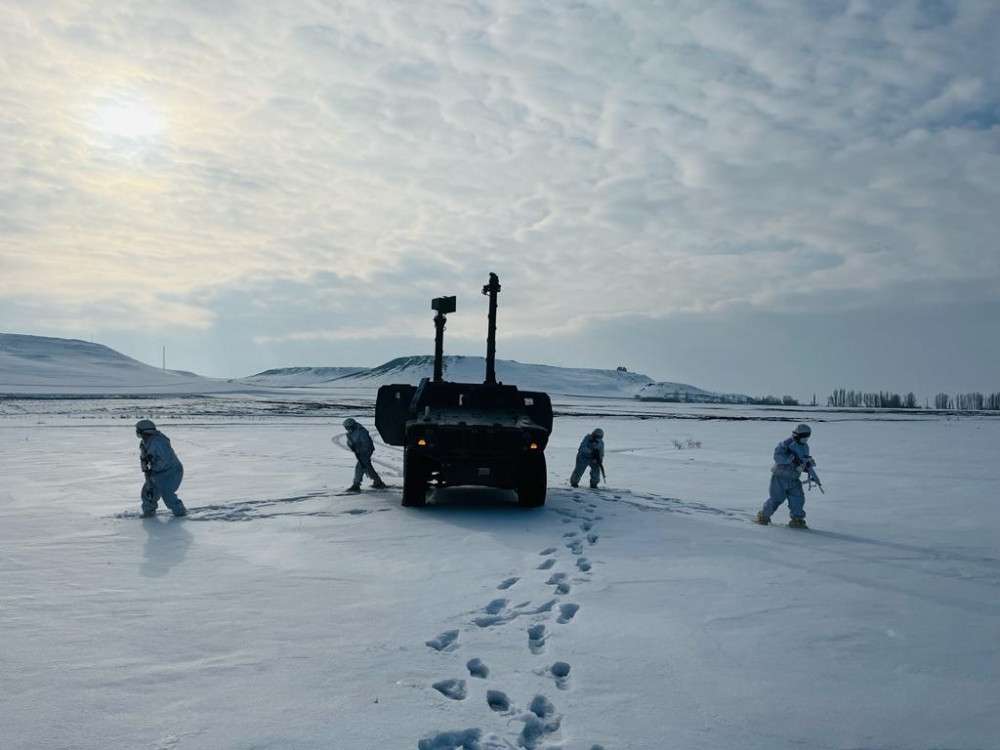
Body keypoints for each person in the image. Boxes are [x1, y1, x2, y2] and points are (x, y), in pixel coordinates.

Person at [755, 423, 818, 528]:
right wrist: (790, 459)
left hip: (794, 478)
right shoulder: (786, 444)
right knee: (776, 498)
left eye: (807, 438)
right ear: (797, 435)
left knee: (798, 499)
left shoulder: (805, 446)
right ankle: (763, 516)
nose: (805, 440)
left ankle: (797, 520)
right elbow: (777, 456)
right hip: (780, 477)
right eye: (803, 438)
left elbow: (803, 460)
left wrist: (807, 465)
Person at [136, 419, 186, 518]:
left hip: (171, 471)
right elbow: (143, 457)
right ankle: (149, 512)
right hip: (157, 472)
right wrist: (145, 466)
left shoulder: (158, 443)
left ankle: (180, 513)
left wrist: (152, 470)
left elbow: (164, 461)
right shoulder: (144, 442)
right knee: (148, 491)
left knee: (167, 493)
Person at [343, 418, 387, 492]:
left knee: (359, 467)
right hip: (360, 452)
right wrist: (351, 445)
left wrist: (359, 449)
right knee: (367, 467)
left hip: (366, 451)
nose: (346, 429)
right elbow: (350, 443)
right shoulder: (351, 433)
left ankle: (356, 485)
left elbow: (366, 444)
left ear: (351, 425)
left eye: (347, 427)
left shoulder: (361, 431)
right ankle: (378, 482)